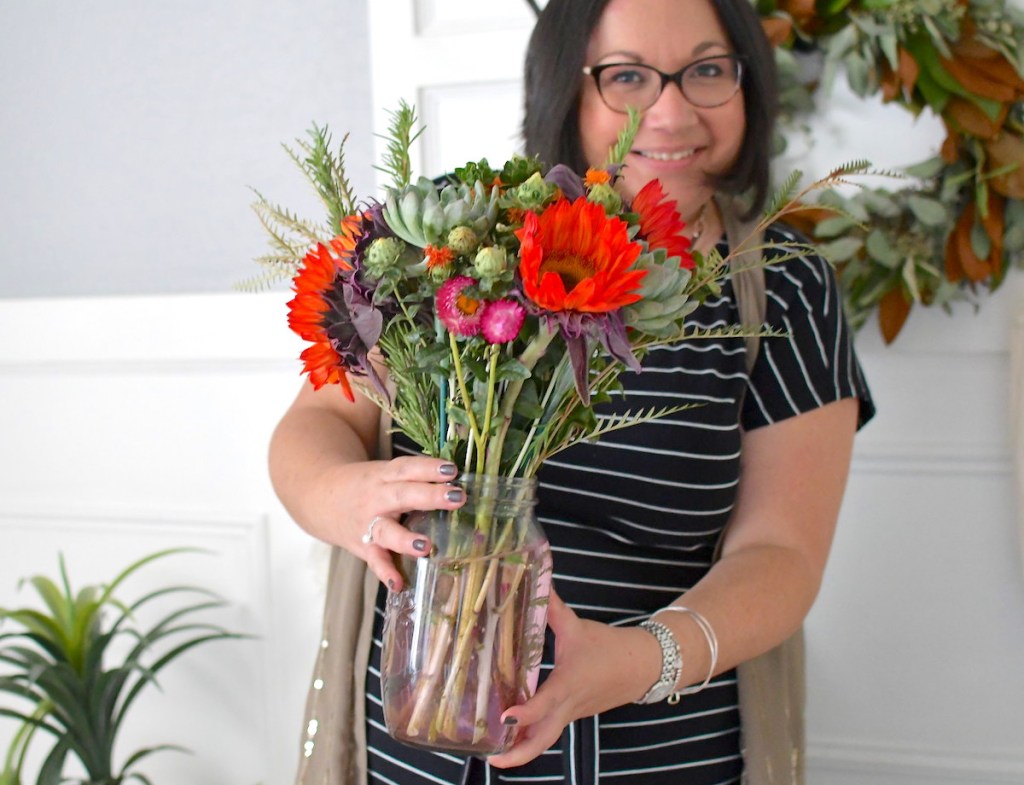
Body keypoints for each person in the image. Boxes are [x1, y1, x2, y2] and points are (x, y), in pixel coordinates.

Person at [269, 0, 875, 782]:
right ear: (564, 87)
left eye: (708, 70)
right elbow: (315, 425)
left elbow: (782, 552)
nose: (670, 110)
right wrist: (341, 493)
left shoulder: (785, 287)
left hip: (662, 750)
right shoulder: (460, 237)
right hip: (415, 754)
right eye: (626, 76)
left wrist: (637, 659)